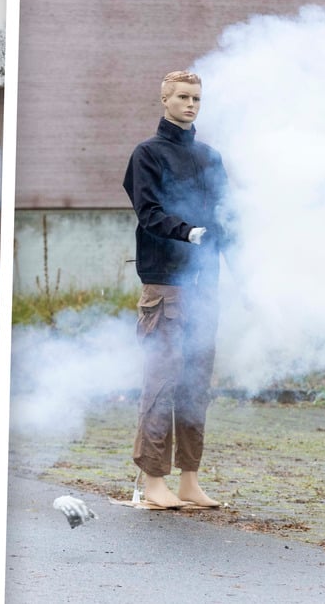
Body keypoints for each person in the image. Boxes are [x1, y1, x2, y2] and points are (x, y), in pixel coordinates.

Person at [122, 70, 229, 508]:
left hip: (205, 287)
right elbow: (148, 212)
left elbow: (227, 220)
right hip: (165, 285)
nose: (190, 104)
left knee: (195, 385)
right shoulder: (147, 154)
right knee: (161, 383)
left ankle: (189, 479)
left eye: (197, 98)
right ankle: (152, 483)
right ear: (164, 99)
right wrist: (188, 233)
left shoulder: (210, 157)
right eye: (183, 96)